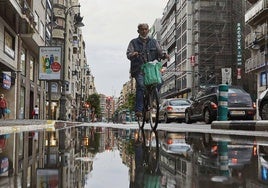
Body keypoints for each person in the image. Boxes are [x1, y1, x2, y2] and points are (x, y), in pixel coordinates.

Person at [126, 23, 169, 117]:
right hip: (139, 69)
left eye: (146, 29)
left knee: (160, 81)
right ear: (138, 31)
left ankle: (152, 99)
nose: (144, 31)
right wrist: (133, 54)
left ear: (148, 30)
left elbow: (160, 52)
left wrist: (165, 55)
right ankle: (139, 110)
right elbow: (128, 54)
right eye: (142, 29)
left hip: (152, 69)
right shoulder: (133, 42)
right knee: (141, 86)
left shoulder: (154, 42)